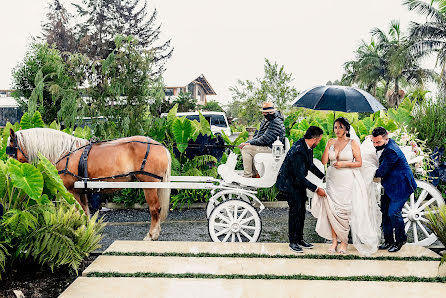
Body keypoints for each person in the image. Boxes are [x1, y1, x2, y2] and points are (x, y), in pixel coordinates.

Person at [312, 117, 380, 255]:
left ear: (346, 129)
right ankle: (334, 241)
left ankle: (344, 242)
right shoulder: (331, 142)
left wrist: (344, 164)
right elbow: (325, 161)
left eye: (340, 127)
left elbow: (359, 162)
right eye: (335, 127)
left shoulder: (352, 143)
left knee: (345, 211)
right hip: (332, 180)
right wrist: (327, 146)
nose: (337, 130)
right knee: (332, 210)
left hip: (347, 180)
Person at [276, 126, 326, 253]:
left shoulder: (307, 147)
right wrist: (316, 189)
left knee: (301, 211)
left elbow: (310, 165)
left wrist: (323, 176)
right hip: (290, 184)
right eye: (319, 140)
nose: (319, 142)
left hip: (298, 183)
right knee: (295, 212)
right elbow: (299, 176)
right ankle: (293, 242)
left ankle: (300, 239)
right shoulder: (298, 150)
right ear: (314, 138)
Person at [372, 127, 417, 252]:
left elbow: (382, 171)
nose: (375, 145)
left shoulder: (391, 151)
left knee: (393, 212)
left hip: (401, 185)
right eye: (374, 142)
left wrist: (366, 171)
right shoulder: (385, 146)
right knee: (385, 212)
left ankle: (400, 240)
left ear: (386, 139)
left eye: (378, 142)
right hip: (389, 184)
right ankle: (388, 241)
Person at [238, 102, 285, 178]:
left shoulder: (276, 122)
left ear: (273, 112)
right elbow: (258, 135)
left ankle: (248, 176)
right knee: (245, 147)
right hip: (268, 146)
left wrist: (248, 144)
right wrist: (247, 142)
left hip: (273, 149)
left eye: (269, 112)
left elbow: (265, 139)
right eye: (265, 113)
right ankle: (255, 174)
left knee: (246, 149)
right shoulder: (267, 120)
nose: (266, 114)